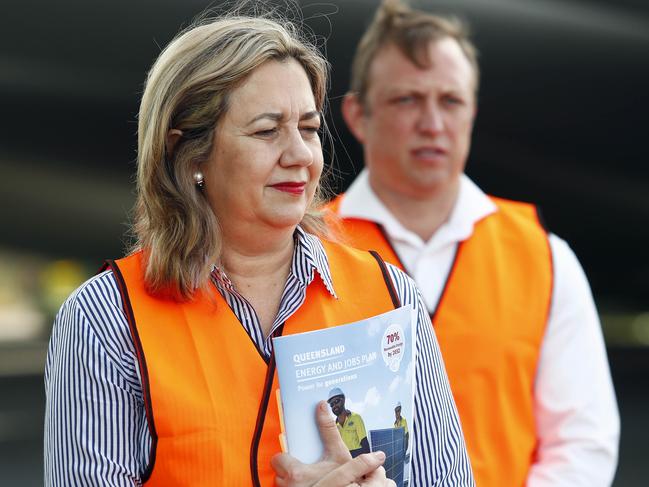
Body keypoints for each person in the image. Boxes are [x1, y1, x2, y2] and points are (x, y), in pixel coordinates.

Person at [43, 9, 474, 487]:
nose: (301, 155)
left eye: (308, 129)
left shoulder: (391, 296)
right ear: (188, 154)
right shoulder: (107, 319)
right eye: (267, 131)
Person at [328, 1, 620, 486]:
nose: (432, 122)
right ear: (359, 115)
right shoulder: (306, 246)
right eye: (407, 100)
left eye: (451, 101)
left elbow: (583, 440)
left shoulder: (545, 258)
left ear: (472, 113)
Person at [326, 388, 370, 458]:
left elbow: (365, 444)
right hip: (346, 464)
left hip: (359, 461)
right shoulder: (334, 428)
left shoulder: (356, 418)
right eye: (331, 405)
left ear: (343, 400)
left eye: (337, 401)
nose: (334, 406)